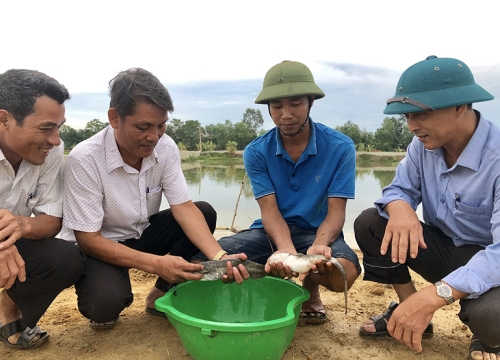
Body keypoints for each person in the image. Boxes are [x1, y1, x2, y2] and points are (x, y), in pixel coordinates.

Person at [60, 68, 248, 330]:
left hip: (142, 233)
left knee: (202, 211)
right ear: (115, 118)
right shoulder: (85, 158)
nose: (154, 136)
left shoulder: (166, 147)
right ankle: (110, 286)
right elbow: (88, 240)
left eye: (161, 125)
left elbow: (182, 207)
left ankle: (160, 293)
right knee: (104, 306)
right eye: (143, 127)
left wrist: (220, 255)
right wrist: (158, 264)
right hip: (102, 245)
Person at [354, 55, 500, 359]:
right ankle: (409, 314)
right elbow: (397, 189)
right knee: (371, 223)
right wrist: (400, 207)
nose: (411, 126)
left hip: (490, 262)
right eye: (406, 116)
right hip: (446, 249)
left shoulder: (496, 158)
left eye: (420, 114)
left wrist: (437, 293)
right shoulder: (423, 147)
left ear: (461, 106)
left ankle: (486, 338)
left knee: (492, 318)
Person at [194, 60, 361, 324]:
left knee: (344, 272)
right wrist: (285, 252)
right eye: (277, 106)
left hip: (316, 231)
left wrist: (319, 245)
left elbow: (336, 213)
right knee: (207, 260)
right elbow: (269, 211)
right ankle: (274, 281)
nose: (286, 114)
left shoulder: (341, 147)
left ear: (311, 103)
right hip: (269, 231)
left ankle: (309, 288)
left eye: (295, 104)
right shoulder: (256, 151)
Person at [0, 69, 84, 349]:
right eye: (46, 128)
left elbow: (51, 221)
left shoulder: (49, 152)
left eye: (59, 127)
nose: (56, 139)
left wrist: (21, 225)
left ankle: (8, 310)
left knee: (65, 258)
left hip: (11, 242)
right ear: (4, 119)